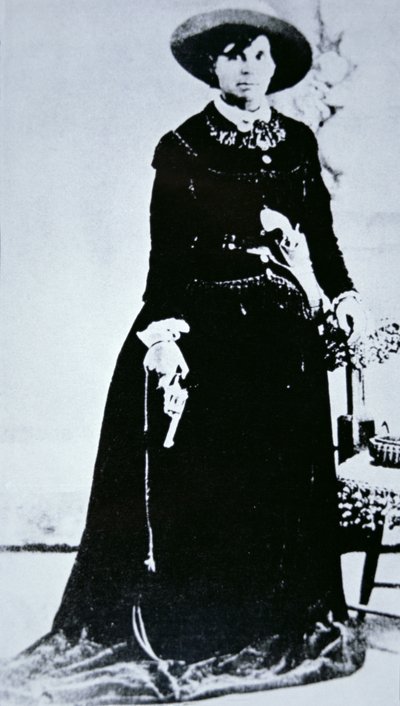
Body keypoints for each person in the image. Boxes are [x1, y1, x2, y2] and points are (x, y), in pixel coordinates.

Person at [52, 7, 365, 675]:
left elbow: (322, 237)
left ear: (274, 67)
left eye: (258, 56)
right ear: (212, 67)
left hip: (283, 337)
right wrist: (165, 337)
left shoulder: (299, 142)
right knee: (210, 479)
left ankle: (276, 615)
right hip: (210, 329)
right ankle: (205, 625)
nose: (248, 69)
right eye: (233, 56)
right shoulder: (182, 146)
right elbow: (165, 258)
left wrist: (342, 297)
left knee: (280, 479)